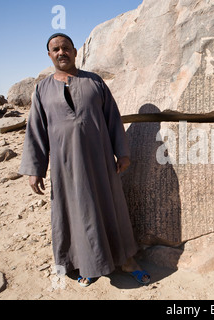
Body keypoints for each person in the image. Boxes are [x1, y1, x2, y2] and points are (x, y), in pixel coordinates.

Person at [19, 33, 150, 287]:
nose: (61, 52)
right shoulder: (42, 90)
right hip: (65, 168)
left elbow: (113, 118)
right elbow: (36, 130)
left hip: (100, 162)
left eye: (65, 48)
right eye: (55, 49)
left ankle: (127, 260)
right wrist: (35, 169)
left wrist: (122, 152)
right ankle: (87, 264)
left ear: (75, 52)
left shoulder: (94, 82)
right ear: (49, 56)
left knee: (111, 208)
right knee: (76, 214)